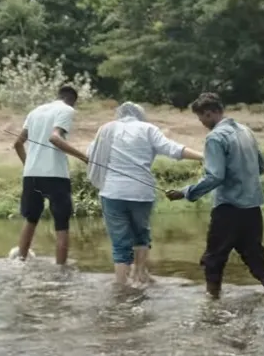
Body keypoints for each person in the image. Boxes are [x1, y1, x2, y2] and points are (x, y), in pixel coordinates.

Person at [165, 92, 264, 299]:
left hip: (228, 208)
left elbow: (215, 176)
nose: (201, 123)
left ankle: (212, 303)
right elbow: (261, 166)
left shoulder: (215, 137)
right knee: (255, 256)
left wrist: (185, 192)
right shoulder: (246, 131)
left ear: (209, 113)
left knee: (214, 258)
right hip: (252, 207)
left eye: (201, 118)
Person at [86, 101, 204, 286]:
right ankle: (140, 275)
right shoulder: (148, 129)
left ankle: (120, 285)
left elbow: (90, 153)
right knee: (141, 234)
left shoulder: (106, 130)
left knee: (120, 243)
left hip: (112, 193)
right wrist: (203, 156)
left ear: (119, 115)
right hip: (141, 193)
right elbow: (173, 149)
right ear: (140, 115)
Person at [13, 86, 89, 265]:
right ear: (72, 100)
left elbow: (17, 143)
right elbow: (55, 138)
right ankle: (61, 271)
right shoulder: (67, 110)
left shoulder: (35, 111)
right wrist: (84, 157)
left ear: (58, 95)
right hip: (56, 175)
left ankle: (20, 262)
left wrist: (29, 165)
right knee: (62, 223)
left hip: (31, 175)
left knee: (31, 219)